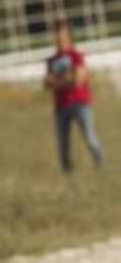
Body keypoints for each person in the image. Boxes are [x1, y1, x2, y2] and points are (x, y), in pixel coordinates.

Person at [43, 20, 104, 173]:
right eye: (57, 34)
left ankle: (100, 162)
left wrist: (57, 80)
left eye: (62, 34)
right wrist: (66, 78)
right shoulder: (51, 60)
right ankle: (68, 173)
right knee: (63, 144)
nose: (59, 37)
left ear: (68, 36)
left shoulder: (76, 55)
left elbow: (77, 80)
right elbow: (47, 84)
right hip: (61, 106)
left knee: (90, 137)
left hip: (80, 103)